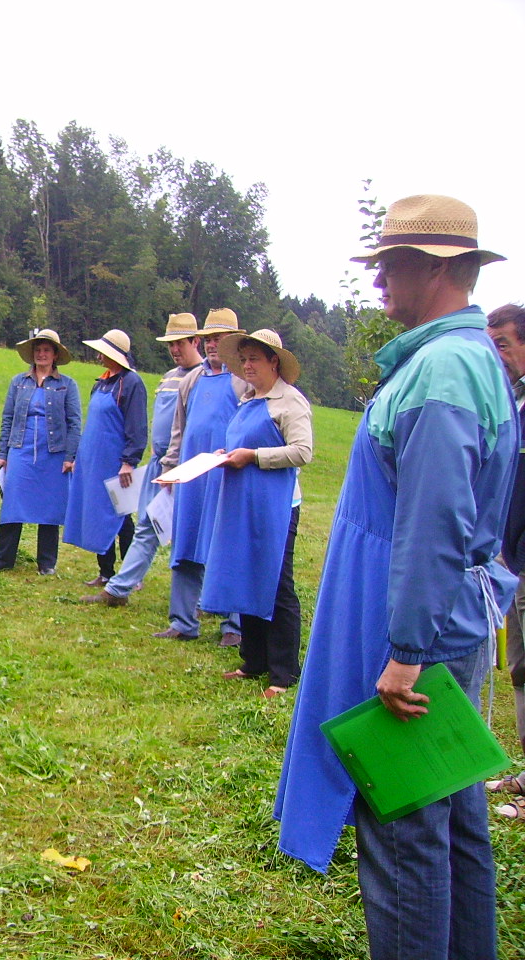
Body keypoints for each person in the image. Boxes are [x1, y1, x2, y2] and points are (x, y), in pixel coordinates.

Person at [274, 195, 515, 959]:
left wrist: (407, 650)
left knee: (405, 831)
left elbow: (435, 524)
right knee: (455, 820)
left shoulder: (443, 371)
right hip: (446, 617)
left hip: (421, 630)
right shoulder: (466, 358)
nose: (378, 279)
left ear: (437, 269)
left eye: (390, 264)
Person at [200, 330, 313, 698]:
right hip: (243, 502)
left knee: (277, 583)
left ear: (273, 362)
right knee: (247, 573)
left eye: (254, 359)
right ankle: (254, 660)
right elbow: (241, 442)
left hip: (276, 506)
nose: (247, 365)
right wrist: (227, 454)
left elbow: (302, 452)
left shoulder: (289, 401)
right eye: (243, 359)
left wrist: (255, 457)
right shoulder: (249, 399)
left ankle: (283, 674)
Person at [90, 313, 203, 607]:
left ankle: (204, 600)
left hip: (187, 466)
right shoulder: (168, 377)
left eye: (180, 344)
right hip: (159, 463)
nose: (175, 350)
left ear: (196, 342)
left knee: (192, 534)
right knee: (148, 526)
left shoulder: (204, 377)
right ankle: (118, 590)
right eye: (171, 345)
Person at [156, 308, 246, 644]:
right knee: (185, 544)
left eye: (219, 339)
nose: (212, 345)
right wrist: (170, 468)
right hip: (191, 478)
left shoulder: (242, 381)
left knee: (225, 545)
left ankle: (233, 625)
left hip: (225, 477)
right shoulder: (192, 380)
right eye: (208, 338)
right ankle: (182, 621)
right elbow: (179, 428)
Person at [0, 329, 82, 575]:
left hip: (53, 452)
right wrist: (3, 453)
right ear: (33, 354)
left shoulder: (67, 385)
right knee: (12, 503)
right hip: (20, 449)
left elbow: (74, 423)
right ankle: (3, 558)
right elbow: (8, 418)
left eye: (46, 350)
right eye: (38, 350)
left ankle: (46, 562)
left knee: (50, 506)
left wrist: (70, 456)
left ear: (55, 355)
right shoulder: (19, 382)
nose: (42, 354)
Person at [64, 330, 147, 583]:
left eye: (104, 352)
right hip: (93, 461)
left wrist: (128, 461)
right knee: (98, 513)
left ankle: (132, 574)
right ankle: (105, 572)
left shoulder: (132, 383)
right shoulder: (101, 383)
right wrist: (80, 456)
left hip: (115, 461)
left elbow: (137, 426)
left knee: (120, 516)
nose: (99, 356)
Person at [486, 301, 525, 819]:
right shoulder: (514, 401)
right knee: (520, 667)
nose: (497, 355)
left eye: (504, 344)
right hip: (515, 562)